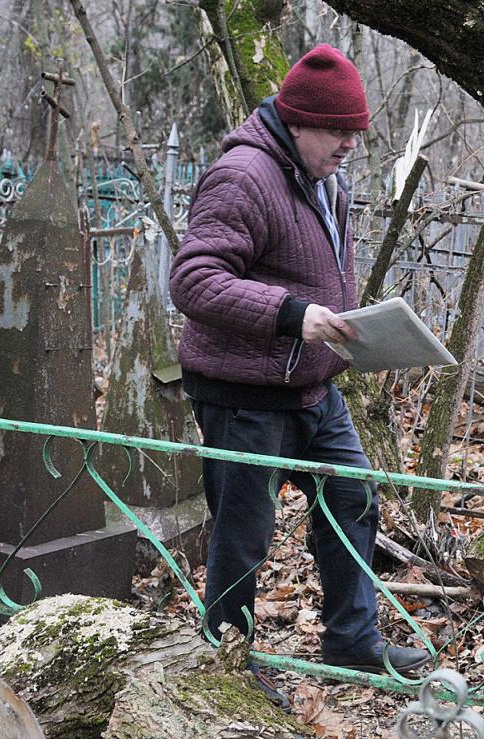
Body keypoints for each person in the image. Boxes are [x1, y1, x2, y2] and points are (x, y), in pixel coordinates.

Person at [169, 44, 430, 699]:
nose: (349, 145)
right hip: (244, 395)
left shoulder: (325, 179)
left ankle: (353, 639)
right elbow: (193, 280)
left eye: (357, 133)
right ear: (296, 121)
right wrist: (293, 314)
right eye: (337, 131)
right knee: (244, 533)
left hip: (311, 385)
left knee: (354, 496)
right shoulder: (245, 176)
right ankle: (226, 664)